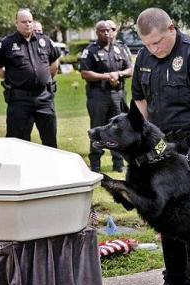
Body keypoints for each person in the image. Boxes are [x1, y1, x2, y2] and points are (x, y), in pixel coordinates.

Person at [132, 7, 190, 285]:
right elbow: (139, 100)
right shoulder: (144, 57)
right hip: (163, 146)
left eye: (157, 42)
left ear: (171, 28)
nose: (153, 49)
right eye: (147, 44)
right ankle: (175, 280)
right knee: (166, 214)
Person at [0, 8, 59, 148]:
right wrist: (9, 77)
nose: (28, 24)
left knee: (50, 140)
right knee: (18, 142)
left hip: (44, 98)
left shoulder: (44, 40)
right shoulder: (7, 43)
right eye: (24, 21)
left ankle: (50, 169)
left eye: (30, 21)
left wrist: (45, 78)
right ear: (16, 23)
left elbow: (54, 62)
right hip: (20, 99)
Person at [80, 20, 132, 173]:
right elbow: (85, 73)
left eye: (109, 30)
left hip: (118, 95)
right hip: (98, 96)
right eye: (103, 30)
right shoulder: (90, 50)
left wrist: (118, 74)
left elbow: (130, 69)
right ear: (97, 32)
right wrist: (106, 76)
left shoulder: (121, 48)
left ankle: (118, 164)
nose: (107, 33)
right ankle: (95, 164)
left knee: (119, 129)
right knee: (97, 128)